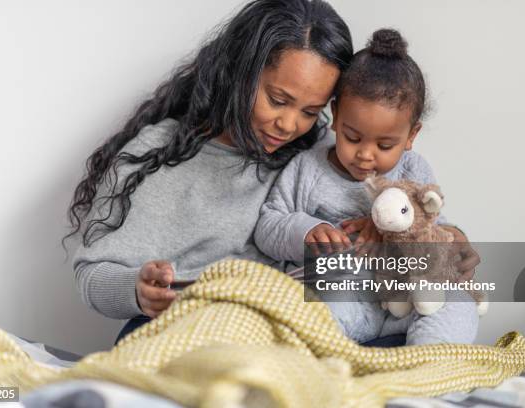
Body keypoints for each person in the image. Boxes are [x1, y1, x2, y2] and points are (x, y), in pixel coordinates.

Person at [63, 0, 353, 344]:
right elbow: (91, 273)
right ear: (240, 72)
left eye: (310, 111)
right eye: (277, 100)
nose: (289, 125)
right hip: (184, 328)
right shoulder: (158, 154)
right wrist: (137, 290)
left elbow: (409, 238)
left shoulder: (319, 152)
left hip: (283, 330)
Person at [254, 29, 480, 345]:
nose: (365, 154)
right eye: (353, 137)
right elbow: (268, 225)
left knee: (456, 304)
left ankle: (432, 363)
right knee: (308, 320)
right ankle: (325, 363)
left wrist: (455, 241)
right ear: (335, 116)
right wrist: (306, 231)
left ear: (411, 136)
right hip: (342, 296)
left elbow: (431, 227)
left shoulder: (414, 170)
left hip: (407, 297)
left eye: (385, 145)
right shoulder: (308, 168)